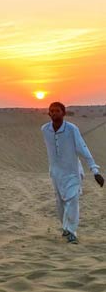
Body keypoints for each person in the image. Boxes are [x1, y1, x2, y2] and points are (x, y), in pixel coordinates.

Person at [41, 101, 104, 244]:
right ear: (49, 113)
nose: (54, 113)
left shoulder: (71, 129)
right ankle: (65, 228)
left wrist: (95, 170)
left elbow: (82, 148)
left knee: (72, 200)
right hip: (56, 173)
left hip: (73, 172)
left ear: (63, 113)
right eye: (52, 111)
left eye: (57, 111)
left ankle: (71, 231)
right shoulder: (45, 129)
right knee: (60, 202)